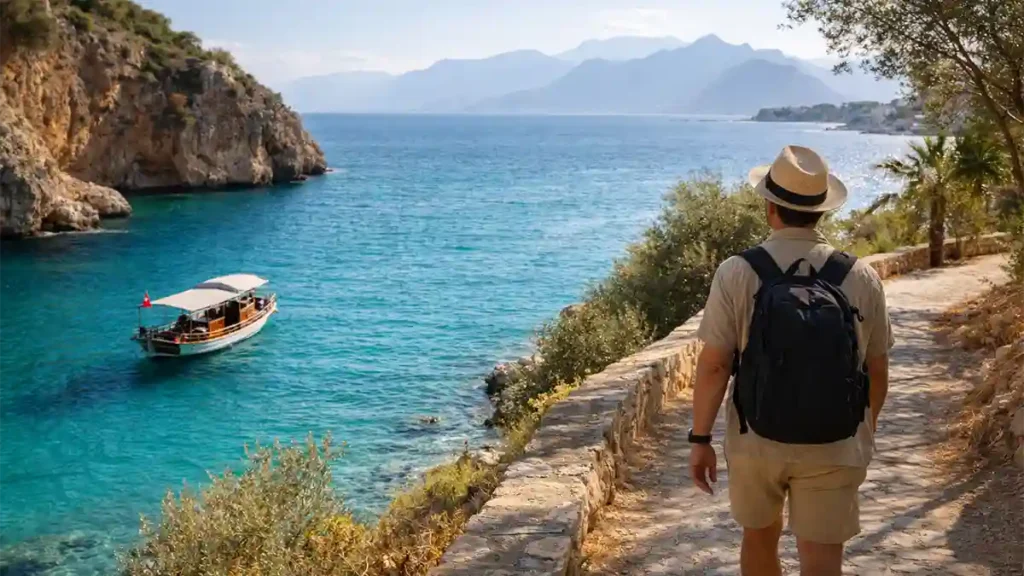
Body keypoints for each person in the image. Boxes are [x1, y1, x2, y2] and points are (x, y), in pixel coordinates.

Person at [689, 145, 893, 576]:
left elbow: (713, 366)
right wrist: (862, 431)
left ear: (770, 207)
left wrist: (700, 439)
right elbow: (876, 368)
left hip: (756, 439)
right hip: (836, 440)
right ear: (821, 211)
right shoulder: (860, 276)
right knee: (822, 560)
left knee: (759, 539)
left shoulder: (737, 272)